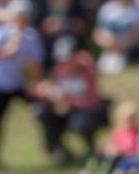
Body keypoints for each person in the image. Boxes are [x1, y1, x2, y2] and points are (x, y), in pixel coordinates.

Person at [32, 36, 104, 165]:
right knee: (43, 114)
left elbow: (86, 95)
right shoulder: (59, 69)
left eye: (68, 58)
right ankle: (58, 150)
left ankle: (91, 150)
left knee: (80, 123)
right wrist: (49, 93)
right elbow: (58, 92)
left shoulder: (86, 67)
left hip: (87, 109)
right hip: (67, 109)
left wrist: (66, 97)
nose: (65, 62)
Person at [0, 0, 44, 171]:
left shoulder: (31, 36)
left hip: (20, 84)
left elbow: (36, 63)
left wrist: (36, 85)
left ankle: (55, 147)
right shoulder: (0, 34)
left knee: (44, 110)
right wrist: (9, 49)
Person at [75, 101, 139, 174]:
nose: (130, 120)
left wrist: (119, 150)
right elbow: (113, 143)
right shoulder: (118, 131)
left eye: (132, 118)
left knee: (111, 157)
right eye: (128, 118)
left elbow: (134, 149)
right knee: (98, 155)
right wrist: (106, 148)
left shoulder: (137, 132)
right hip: (115, 153)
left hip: (126, 157)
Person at [93, 0, 139, 75]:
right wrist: (108, 43)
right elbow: (98, 32)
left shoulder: (137, 10)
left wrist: (123, 44)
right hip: (109, 46)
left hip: (128, 47)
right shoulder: (106, 9)